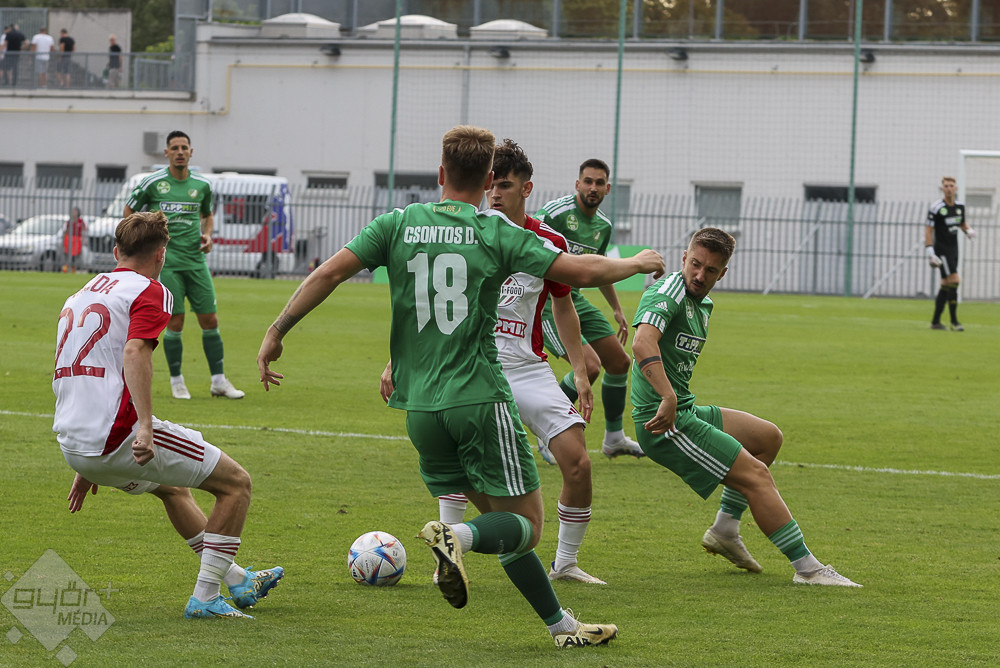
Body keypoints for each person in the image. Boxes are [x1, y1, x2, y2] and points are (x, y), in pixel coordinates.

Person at [258, 125, 665, 648]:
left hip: (420, 410)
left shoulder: (398, 223)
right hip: (478, 400)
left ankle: (562, 627)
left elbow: (328, 274)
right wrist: (636, 263)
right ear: (489, 180)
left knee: (502, 523)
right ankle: (456, 535)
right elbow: (578, 271)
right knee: (526, 525)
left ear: (440, 173)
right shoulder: (494, 231)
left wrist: (276, 331)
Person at [379, 139, 607, 585]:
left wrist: (580, 372)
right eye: (492, 186)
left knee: (578, 461)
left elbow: (564, 306)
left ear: (527, 189)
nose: (495, 194)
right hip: (468, 365)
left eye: (505, 186)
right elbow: (426, 306)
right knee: (457, 456)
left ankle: (565, 563)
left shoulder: (547, 241)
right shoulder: (467, 232)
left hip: (525, 368)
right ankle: (448, 556)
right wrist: (395, 361)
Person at [53, 210, 283, 620]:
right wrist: (144, 426)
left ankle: (236, 578)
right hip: (116, 437)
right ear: (161, 254)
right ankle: (206, 597)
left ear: (116, 252)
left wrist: (85, 462)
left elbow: (78, 369)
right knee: (236, 484)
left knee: (172, 489)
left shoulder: (80, 294)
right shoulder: (150, 290)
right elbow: (134, 351)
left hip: (75, 443)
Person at [630, 227, 861, 587]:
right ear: (684, 258)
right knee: (756, 476)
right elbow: (643, 342)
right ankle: (809, 569)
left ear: (722, 273)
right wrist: (668, 397)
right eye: (695, 264)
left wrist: (676, 399)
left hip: (684, 409)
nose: (699, 275)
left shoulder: (702, 304)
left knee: (767, 438)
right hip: (663, 421)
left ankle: (725, 529)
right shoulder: (668, 291)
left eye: (710, 270)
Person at [534, 160, 644, 463]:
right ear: (577, 184)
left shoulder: (603, 226)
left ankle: (613, 439)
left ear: (608, 188)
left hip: (575, 298)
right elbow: (525, 243)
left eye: (599, 183)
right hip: (546, 302)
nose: (593, 188)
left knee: (619, 362)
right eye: (588, 181)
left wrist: (617, 308)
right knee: (590, 366)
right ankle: (547, 431)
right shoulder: (555, 213)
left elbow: (599, 268)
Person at [123, 130, 244, 400]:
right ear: (166, 153)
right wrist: (141, 242)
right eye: (175, 148)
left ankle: (219, 381)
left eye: (184, 147)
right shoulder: (153, 183)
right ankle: (177, 381)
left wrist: (208, 235)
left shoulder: (202, 185)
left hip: (196, 261)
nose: (180, 152)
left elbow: (207, 215)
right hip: (168, 262)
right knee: (175, 321)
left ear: (191, 152)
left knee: (210, 319)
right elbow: (129, 211)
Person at [925, 176, 975, 331]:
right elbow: (929, 229)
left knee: (946, 284)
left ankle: (935, 322)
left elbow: (961, 223)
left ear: (956, 188)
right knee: (955, 279)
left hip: (954, 249)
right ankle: (954, 322)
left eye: (951, 186)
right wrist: (930, 250)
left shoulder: (960, 206)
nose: (949, 188)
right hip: (942, 250)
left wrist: (968, 230)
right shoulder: (936, 207)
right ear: (942, 189)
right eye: (946, 186)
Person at [62, 206, 87, 273]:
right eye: (73, 211)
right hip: (69, 239)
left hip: (77, 240)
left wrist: (83, 239)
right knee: (68, 254)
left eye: (75, 211)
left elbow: (85, 230)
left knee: (75, 255)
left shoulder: (81, 221)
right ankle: (67, 268)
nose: (74, 213)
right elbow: (65, 231)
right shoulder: (69, 221)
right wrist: (64, 240)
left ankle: (71, 269)